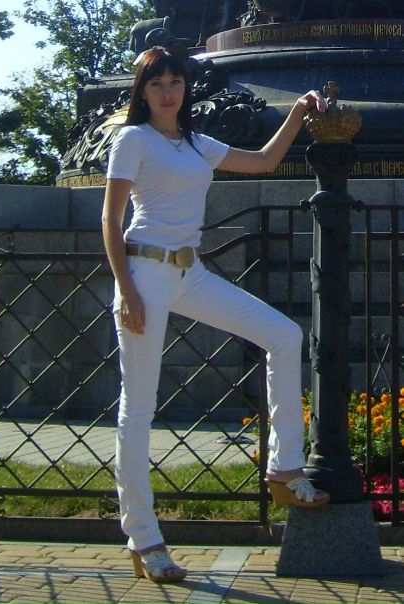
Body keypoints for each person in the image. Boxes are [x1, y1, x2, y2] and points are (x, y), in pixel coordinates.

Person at [102, 46, 329, 584]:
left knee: (284, 334)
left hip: (190, 272)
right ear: (142, 91)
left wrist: (299, 111)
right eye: (156, 83)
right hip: (144, 272)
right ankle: (144, 539)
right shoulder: (133, 140)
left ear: (186, 88)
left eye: (175, 82)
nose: (167, 92)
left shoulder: (196, 143)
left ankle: (284, 468)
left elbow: (264, 161)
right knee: (139, 409)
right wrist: (127, 290)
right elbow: (111, 220)